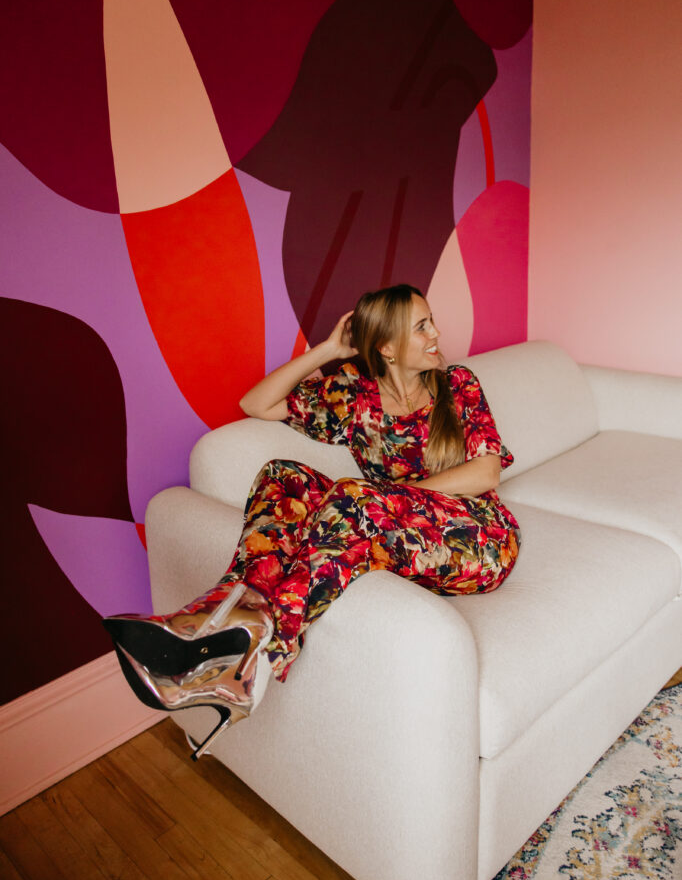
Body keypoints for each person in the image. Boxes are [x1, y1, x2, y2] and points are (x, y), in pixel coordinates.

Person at [104, 284, 520, 759]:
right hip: (390, 532)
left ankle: (253, 651)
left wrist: (383, 498)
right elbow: (256, 405)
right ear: (385, 347)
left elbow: (487, 470)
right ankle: (220, 620)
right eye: (422, 326)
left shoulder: (458, 383)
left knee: (353, 496)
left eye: (431, 322)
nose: (436, 333)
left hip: (478, 538)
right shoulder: (352, 397)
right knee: (283, 476)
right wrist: (326, 350)